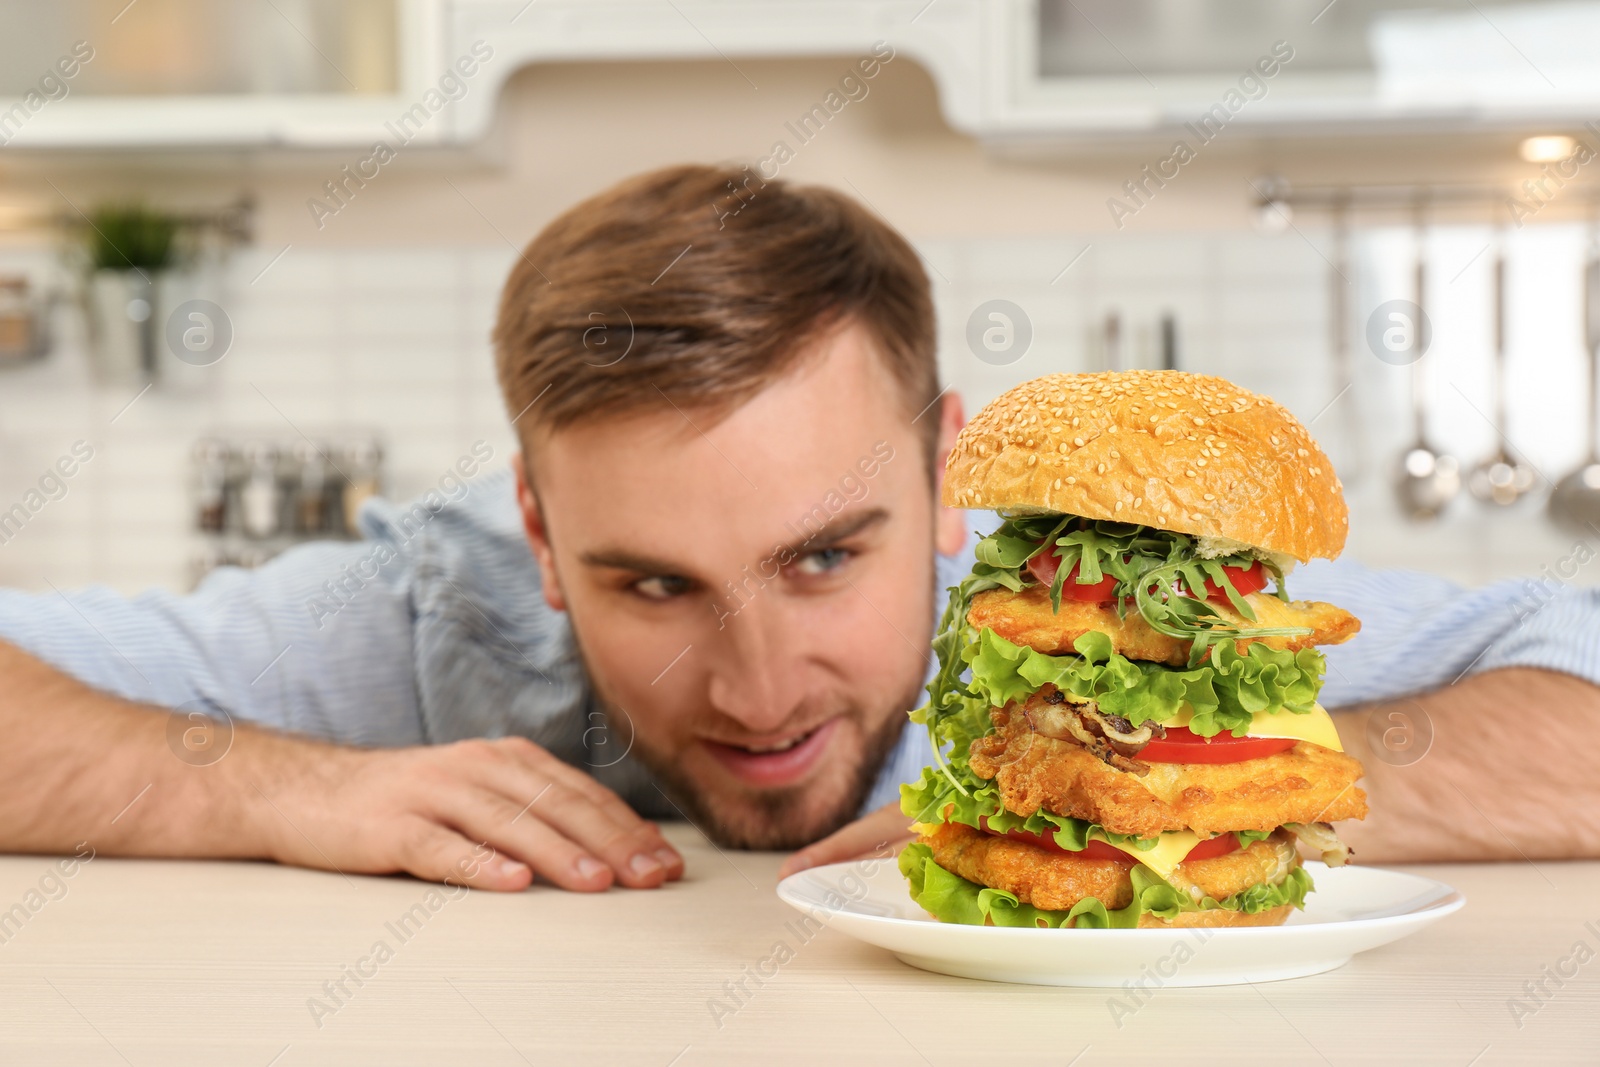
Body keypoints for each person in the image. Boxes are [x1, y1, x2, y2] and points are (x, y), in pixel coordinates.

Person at [1, 165, 1596, 894]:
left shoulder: (1092, 594)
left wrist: (1142, 793)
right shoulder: (429, 616)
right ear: (540, 536)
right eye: (649, 583)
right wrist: (288, 790)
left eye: (826, 556)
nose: (757, 687)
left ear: (951, 482)